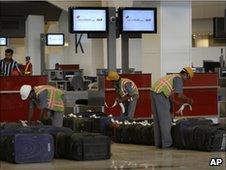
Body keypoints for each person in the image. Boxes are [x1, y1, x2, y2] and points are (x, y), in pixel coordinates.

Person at [151, 67, 194, 149]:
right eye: (187, 78)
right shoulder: (179, 79)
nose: (186, 80)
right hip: (160, 94)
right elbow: (179, 95)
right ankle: (167, 144)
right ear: (185, 74)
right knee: (165, 120)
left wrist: (174, 103)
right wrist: (189, 100)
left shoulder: (172, 76)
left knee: (157, 120)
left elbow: (170, 95)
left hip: (153, 92)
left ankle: (158, 143)